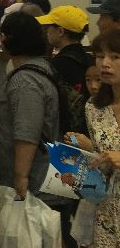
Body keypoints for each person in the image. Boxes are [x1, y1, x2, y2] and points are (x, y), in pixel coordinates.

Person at [0, 12, 76, 247]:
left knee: (45, 238)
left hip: (37, 180)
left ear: (6, 38)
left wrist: (21, 176)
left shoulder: (24, 80)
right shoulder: (42, 68)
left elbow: (27, 131)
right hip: (50, 173)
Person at [64, 30, 120, 248]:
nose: (105, 63)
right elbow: (102, 160)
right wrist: (81, 160)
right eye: (99, 56)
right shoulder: (94, 107)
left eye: (115, 57)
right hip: (106, 210)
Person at [38, 5, 92, 94]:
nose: (47, 31)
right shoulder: (90, 59)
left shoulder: (56, 65)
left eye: (48, 27)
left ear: (60, 31)